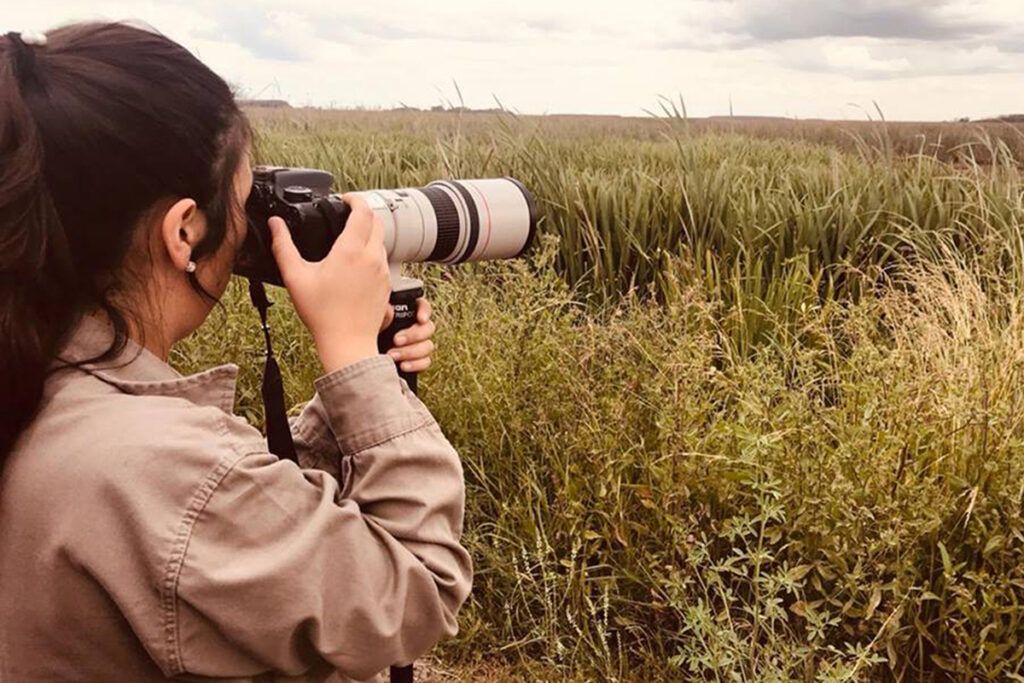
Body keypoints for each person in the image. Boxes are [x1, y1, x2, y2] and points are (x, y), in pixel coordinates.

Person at [0, 21, 472, 683]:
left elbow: (245, 526)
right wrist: (351, 358)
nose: (249, 227)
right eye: (244, 199)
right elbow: (415, 589)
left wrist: (356, 386)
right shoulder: (162, 468)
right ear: (185, 231)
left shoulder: (40, 378)